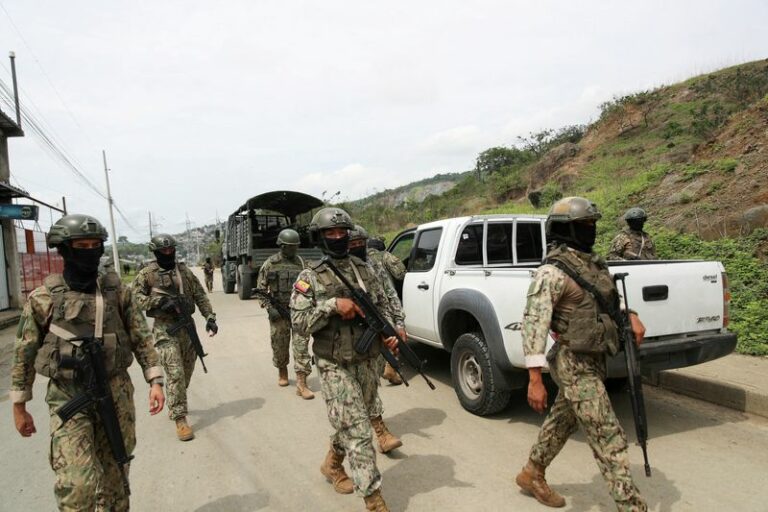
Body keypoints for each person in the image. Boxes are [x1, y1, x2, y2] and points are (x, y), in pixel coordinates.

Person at [10, 214, 165, 511]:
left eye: (96, 245)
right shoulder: (43, 298)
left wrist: (155, 381)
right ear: (65, 250)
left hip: (115, 392)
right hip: (69, 395)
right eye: (82, 245)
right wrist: (19, 405)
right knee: (77, 486)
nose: (90, 251)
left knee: (116, 478)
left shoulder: (118, 292)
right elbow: (24, 353)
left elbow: (141, 337)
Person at [516, 197, 648, 511]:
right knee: (607, 432)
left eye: (593, 223)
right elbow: (534, 323)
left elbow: (604, 303)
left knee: (564, 420)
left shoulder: (592, 263)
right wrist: (534, 379)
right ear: (566, 229)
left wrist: (630, 314)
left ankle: (532, 472)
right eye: (585, 225)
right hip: (572, 361)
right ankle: (630, 505)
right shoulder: (551, 272)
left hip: (596, 357)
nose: (592, 229)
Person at [291, 207, 398, 512]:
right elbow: (299, 323)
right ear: (319, 236)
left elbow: (381, 306)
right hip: (334, 364)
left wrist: (390, 332)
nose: (337, 237)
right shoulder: (309, 276)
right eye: (330, 233)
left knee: (350, 423)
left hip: (366, 359)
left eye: (341, 232)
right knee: (359, 431)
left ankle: (332, 465)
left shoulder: (365, 270)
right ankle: (374, 500)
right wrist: (331, 306)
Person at [132, 233, 218, 441]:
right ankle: (180, 418)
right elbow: (135, 299)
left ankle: (175, 396)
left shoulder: (184, 271)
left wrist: (210, 317)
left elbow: (199, 295)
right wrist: (158, 303)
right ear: (156, 252)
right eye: (164, 251)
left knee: (186, 371)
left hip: (187, 328)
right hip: (165, 329)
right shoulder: (147, 274)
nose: (168, 254)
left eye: (171, 250)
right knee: (176, 372)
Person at [348, 225, 403, 453]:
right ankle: (379, 432)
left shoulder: (372, 267)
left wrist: (397, 325)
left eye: (361, 242)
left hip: (375, 333)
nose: (358, 247)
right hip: (344, 341)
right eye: (353, 244)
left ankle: (380, 432)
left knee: (370, 384)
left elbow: (389, 295)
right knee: (349, 405)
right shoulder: (334, 270)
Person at [256, 228, 314, 399]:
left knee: (301, 345)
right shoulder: (270, 264)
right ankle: (282, 371)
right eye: (290, 247)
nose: (293, 250)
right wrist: (269, 307)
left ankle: (302, 383)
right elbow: (260, 290)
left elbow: (307, 286)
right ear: (281, 246)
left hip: (298, 312)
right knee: (279, 344)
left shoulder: (302, 264)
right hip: (278, 312)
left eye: (295, 247)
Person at [365, 235, 407, 386]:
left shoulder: (360, 260)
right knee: (393, 336)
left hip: (368, 305)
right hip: (385, 303)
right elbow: (401, 273)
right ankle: (391, 369)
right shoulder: (385, 256)